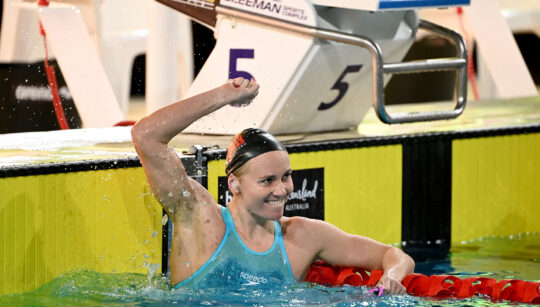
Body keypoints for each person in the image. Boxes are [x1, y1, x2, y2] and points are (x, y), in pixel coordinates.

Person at [131, 77, 414, 294]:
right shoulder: (201, 218)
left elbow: (394, 255)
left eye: (286, 177)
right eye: (267, 180)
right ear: (234, 183)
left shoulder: (303, 236)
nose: (281, 190)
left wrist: (390, 278)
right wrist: (224, 95)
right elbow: (145, 135)